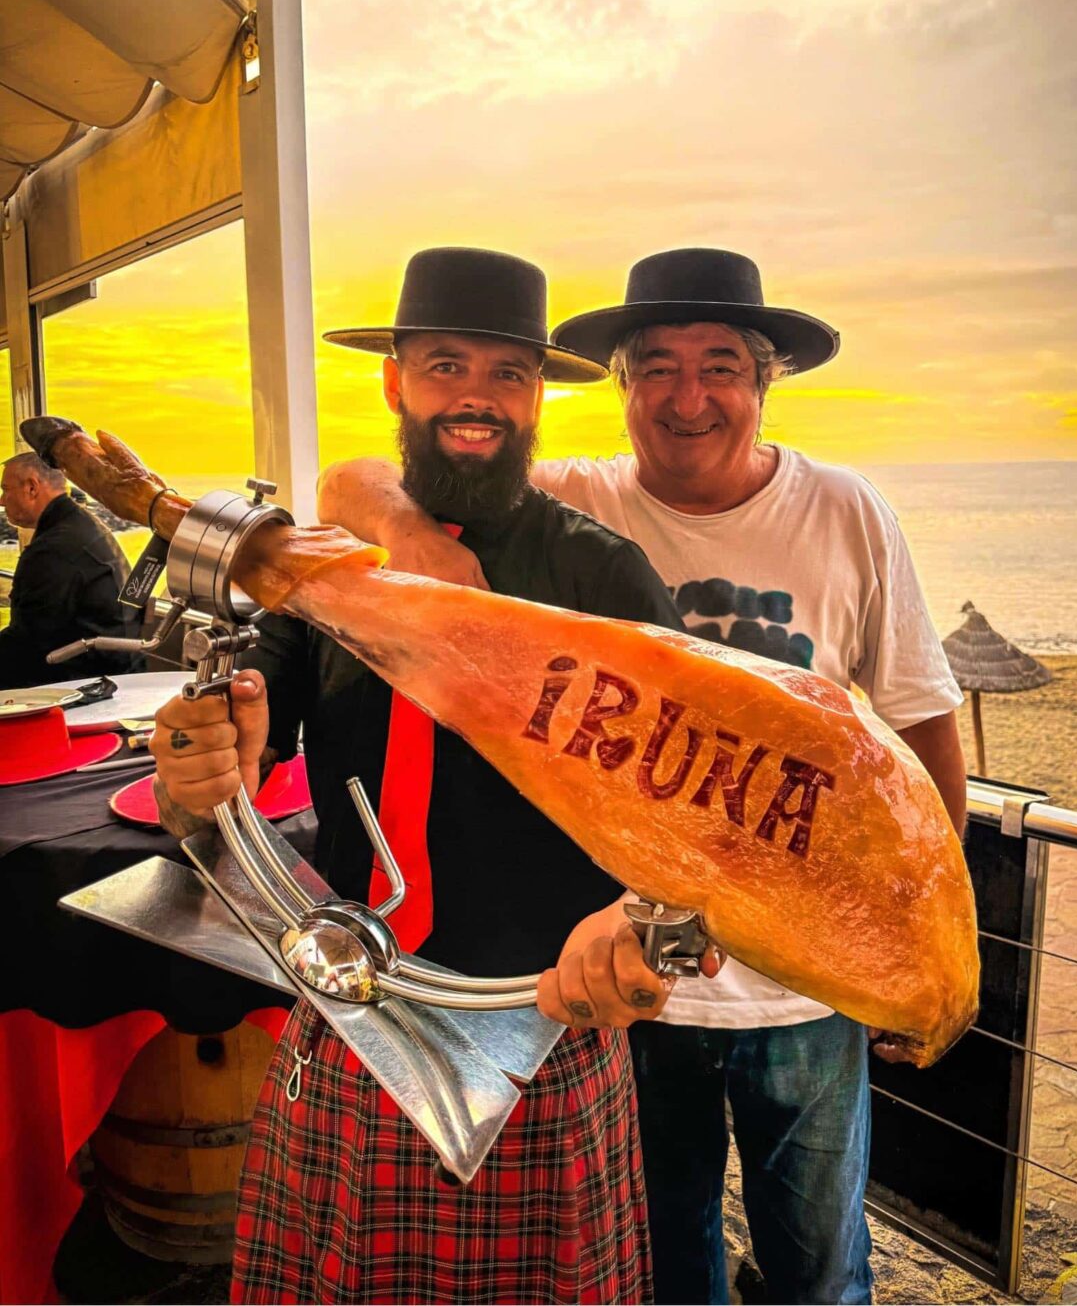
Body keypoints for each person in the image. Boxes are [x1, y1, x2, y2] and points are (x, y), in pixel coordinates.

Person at [317, 247, 969, 1306]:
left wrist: (932, 941)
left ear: (765, 382)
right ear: (620, 388)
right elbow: (355, 478)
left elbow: (922, 732)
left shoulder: (848, 513)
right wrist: (400, 531)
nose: (688, 396)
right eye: (657, 367)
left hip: (800, 995)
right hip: (641, 998)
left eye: (720, 366)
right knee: (664, 1266)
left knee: (821, 1268)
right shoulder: (574, 500)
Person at [149, 247, 699, 1306]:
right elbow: (226, 755)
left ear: (538, 398)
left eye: (506, 374)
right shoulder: (332, 570)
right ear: (395, 381)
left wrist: (642, 914)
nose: (476, 400)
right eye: (447, 366)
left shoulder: (600, 575)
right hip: (356, 1008)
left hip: (543, 1023)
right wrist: (200, 765)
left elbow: (682, 807)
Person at [0, 450, 143, 687]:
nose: (2, 500)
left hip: (87, 682)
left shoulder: (54, 549)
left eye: (6, 489)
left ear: (32, 487)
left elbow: (26, 645)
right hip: (113, 669)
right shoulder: (79, 525)